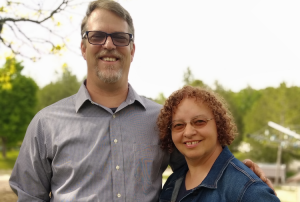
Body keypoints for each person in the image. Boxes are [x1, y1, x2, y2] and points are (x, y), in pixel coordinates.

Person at [9, 1, 273, 201]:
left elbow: (201, 167)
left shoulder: (164, 121)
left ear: (132, 50)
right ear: (83, 47)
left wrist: (244, 176)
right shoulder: (45, 125)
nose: (109, 44)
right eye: (98, 36)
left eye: (120, 38)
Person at [157, 86, 280, 202]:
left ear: (218, 124)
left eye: (199, 121)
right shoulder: (172, 183)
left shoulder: (247, 189)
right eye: (178, 125)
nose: (188, 132)